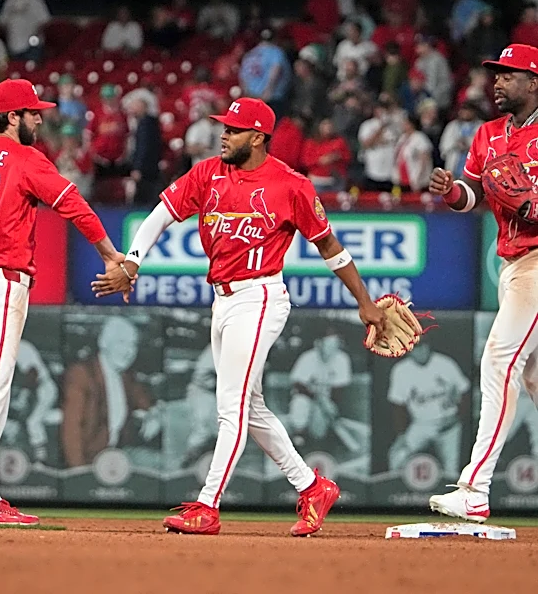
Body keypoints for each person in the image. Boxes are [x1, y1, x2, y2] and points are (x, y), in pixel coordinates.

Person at [92, 97, 385, 536]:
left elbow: (330, 248)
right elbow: (160, 215)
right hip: (223, 299)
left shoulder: (291, 185)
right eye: (223, 128)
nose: (223, 135)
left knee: (231, 407)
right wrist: (133, 260)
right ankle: (312, 486)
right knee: (252, 405)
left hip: (261, 296)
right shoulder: (208, 173)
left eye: (233, 129)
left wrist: (364, 301)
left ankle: (208, 505)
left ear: (258, 137)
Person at [0, 78, 126, 525]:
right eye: (32, 112)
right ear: (12, 118)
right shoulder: (24, 157)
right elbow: (71, 203)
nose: (39, 118)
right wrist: (110, 254)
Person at [429, 43, 538, 523]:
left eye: (509, 75)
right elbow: (472, 194)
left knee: (499, 361)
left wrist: (532, 206)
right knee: (532, 377)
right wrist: (453, 192)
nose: (497, 81)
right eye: (495, 74)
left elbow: (528, 207)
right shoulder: (488, 134)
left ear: (533, 83)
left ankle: (475, 488)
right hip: (515, 264)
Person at [60, 317, 156, 467]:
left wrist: (152, 416)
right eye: (122, 342)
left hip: (116, 455)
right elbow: (72, 429)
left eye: (133, 345)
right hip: (89, 462)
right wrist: (77, 474)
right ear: (103, 343)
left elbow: (145, 401)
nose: (129, 351)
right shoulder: (82, 374)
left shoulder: (126, 376)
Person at [387, 342, 470, 477]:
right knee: (397, 456)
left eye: (422, 346)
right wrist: (401, 435)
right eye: (415, 348)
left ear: (428, 346)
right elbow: (398, 405)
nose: (420, 351)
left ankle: (450, 496)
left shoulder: (445, 364)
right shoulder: (401, 370)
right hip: (421, 424)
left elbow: (465, 391)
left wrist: (459, 417)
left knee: (451, 469)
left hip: (449, 425)